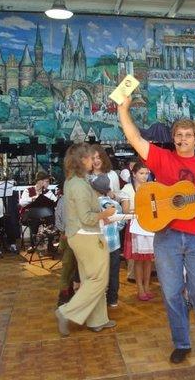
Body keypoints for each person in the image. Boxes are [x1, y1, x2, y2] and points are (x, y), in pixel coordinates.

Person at [118, 96, 195, 364]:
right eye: (179, 135)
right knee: (171, 293)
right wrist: (123, 109)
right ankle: (181, 342)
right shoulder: (162, 158)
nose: (183, 139)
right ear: (174, 138)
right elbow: (134, 138)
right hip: (166, 235)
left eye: (188, 135)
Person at [55, 143, 117, 337]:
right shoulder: (80, 185)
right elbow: (86, 217)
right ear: (83, 160)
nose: (94, 161)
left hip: (80, 235)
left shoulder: (73, 181)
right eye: (91, 158)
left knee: (91, 278)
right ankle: (66, 312)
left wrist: (100, 215)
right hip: (86, 236)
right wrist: (104, 213)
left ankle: (97, 320)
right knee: (98, 279)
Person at [120, 162, 155, 301]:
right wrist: (142, 210)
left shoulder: (151, 187)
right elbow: (125, 209)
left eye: (146, 173)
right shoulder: (128, 188)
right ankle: (140, 287)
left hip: (149, 225)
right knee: (139, 260)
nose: (145, 176)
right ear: (133, 174)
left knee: (148, 260)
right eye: (141, 173)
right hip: (135, 225)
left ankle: (147, 286)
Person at [90, 174, 127, 308]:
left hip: (97, 245)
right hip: (114, 245)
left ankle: (98, 299)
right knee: (113, 272)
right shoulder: (115, 204)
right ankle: (113, 299)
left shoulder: (92, 205)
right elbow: (121, 223)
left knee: (98, 273)